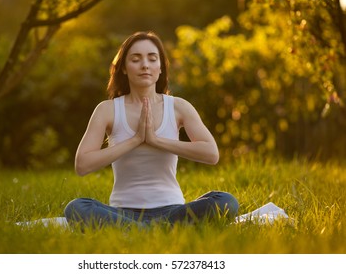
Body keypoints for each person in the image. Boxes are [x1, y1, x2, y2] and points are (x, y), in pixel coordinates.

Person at [64, 31, 239, 228]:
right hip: (122, 213)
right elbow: (82, 165)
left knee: (225, 201)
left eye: (152, 59)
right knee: (77, 208)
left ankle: (142, 231)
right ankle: (155, 230)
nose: (145, 65)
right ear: (123, 68)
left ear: (161, 67)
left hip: (172, 211)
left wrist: (156, 140)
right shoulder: (107, 109)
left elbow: (211, 154)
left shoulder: (178, 107)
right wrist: (135, 139)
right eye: (136, 59)